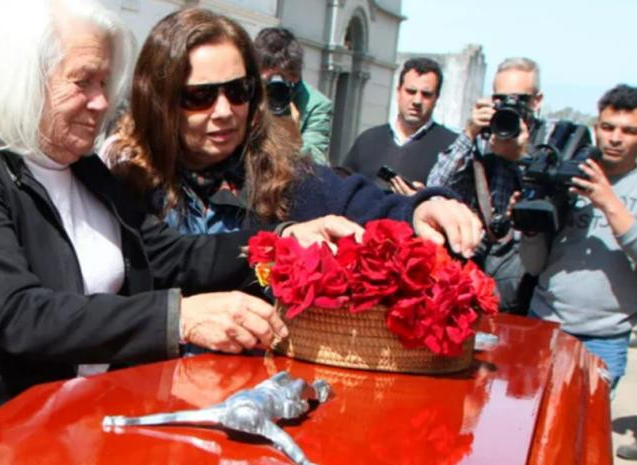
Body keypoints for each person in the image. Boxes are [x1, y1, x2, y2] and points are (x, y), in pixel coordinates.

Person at [0, 0, 420, 446]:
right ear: (19, 80)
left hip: (72, 424)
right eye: (82, 82)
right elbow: (21, 315)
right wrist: (180, 319)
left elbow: (170, 254)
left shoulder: (85, 170)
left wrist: (280, 240)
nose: (102, 102)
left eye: (105, 82)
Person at [107, 9, 482, 250]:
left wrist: (423, 209)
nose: (224, 112)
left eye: (239, 91)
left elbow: (372, 206)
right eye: (200, 96)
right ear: (160, 101)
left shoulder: (287, 177)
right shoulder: (123, 184)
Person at [517, 85, 637, 454]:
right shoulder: (568, 174)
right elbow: (535, 264)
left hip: (603, 338)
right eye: (608, 126)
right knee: (533, 438)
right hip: (545, 325)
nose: (615, 138)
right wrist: (531, 226)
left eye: (628, 130)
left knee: (578, 443)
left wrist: (608, 202)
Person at [428, 57, 549, 314]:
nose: (509, 107)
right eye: (500, 99)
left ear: (537, 101)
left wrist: (521, 156)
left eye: (519, 100)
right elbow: (436, 186)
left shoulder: (549, 140)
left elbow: (549, 201)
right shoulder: (483, 136)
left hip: (527, 266)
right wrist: (470, 132)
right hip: (479, 259)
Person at [343, 57, 458, 191]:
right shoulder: (368, 140)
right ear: (398, 91)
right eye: (411, 91)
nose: (417, 101)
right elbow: (343, 191)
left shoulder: (451, 149)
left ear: (436, 98)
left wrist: (425, 200)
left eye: (426, 94)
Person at [254, 26, 331, 164]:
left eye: (281, 76)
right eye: (268, 79)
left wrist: (294, 138)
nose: (274, 85)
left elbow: (319, 164)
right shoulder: (248, 93)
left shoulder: (316, 105)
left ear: (294, 76)